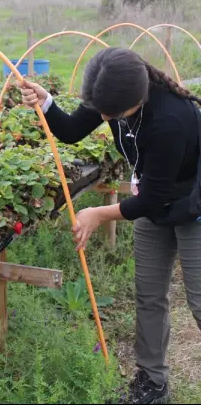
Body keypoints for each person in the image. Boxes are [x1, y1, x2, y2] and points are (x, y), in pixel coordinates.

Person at [20, 47, 201, 405]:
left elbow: (153, 197)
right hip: (152, 205)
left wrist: (99, 214)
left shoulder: (172, 118)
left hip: (193, 207)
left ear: (138, 98)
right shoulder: (112, 91)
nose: (104, 117)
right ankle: (153, 382)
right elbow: (72, 130)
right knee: (149, 296)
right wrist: (46, 103)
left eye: (112, 114)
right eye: (101, 111)